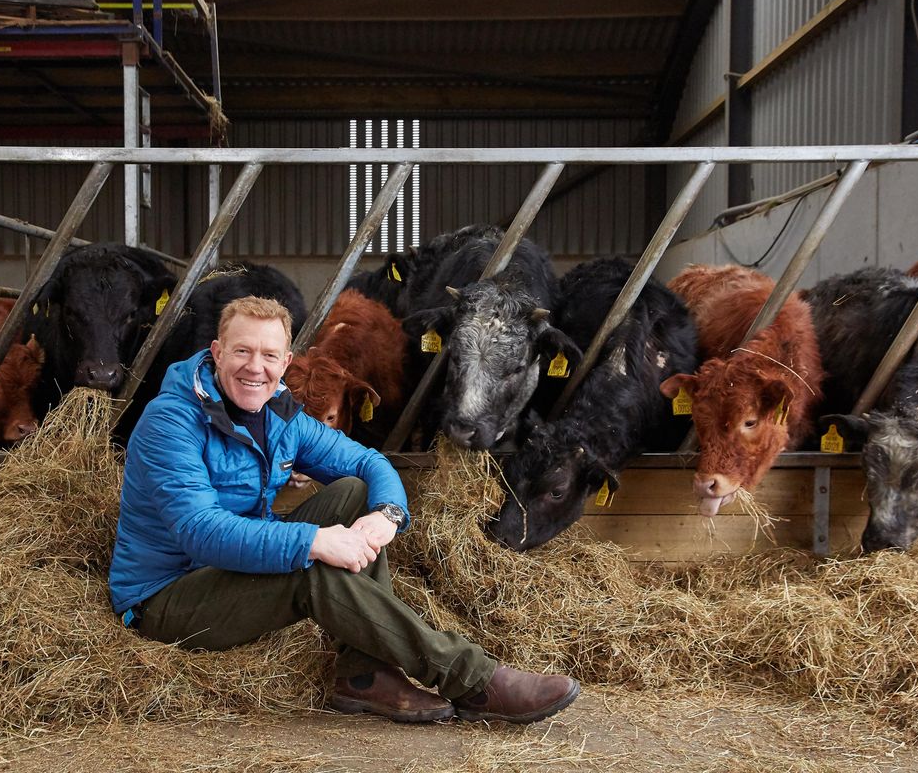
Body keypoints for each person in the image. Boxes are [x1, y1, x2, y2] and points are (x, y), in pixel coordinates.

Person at [109, 296, 580, 724]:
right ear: (216, 352)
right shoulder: (170, 421)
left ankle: (362, 674)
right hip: (168, 598)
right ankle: (473, 679)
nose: (256, 367)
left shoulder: (280, 411)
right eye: (242, 351)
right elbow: (200, 532)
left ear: (286, 362)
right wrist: (313, 541)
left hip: (239, 568)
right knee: (313, 567)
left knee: (355, 491)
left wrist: (387, 514)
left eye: (270, 355)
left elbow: (366, 461)